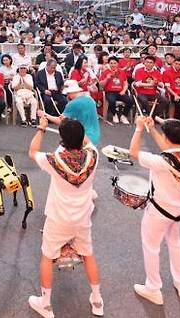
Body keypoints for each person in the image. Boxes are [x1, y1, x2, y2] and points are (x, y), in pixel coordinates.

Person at [27, 117, 103, 318]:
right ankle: (97, 300)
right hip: (83, 217)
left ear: (61, 139)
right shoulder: (93, 156)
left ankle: (46, 305)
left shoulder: (54, 160)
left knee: (47, 256)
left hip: (58, 218)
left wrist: (42, 129)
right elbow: (86, 142)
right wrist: (72, 127)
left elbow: (32, 152)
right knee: (88, 254)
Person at [128, 117, 180, 305]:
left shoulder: (161, 161)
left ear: (167, 137)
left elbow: (133, 152)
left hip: (158, 211)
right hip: (179, 210)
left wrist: (139, 128)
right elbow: (169, 149)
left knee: (151, 247)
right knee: (175, 244)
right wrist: (153, 130)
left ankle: (153, 288)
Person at [100, 56, 133, 124]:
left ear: (117, 64)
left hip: (120, 92)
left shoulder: (121, 72)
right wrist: (107, 78)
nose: (113, 65)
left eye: (114, 63)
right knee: (112, 100)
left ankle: (123, 116)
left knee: (130, 101)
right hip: (110, 92)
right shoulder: (105, 72)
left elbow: (125, 83)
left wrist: (123, 91)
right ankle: (114, 114)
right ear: (108, 64)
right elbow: (101, 85)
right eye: (111, 63)